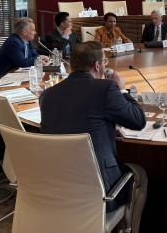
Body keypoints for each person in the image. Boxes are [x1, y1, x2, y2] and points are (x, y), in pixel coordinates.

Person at [39, 41, 147, 229]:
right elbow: (138, 121)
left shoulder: (47, 95)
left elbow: (73, 119)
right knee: (141, 175)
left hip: (56, 187)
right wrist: (121, 89)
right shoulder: (106, 88)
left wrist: (107, 128)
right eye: (104, 62)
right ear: (97, 66)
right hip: (100, 193)